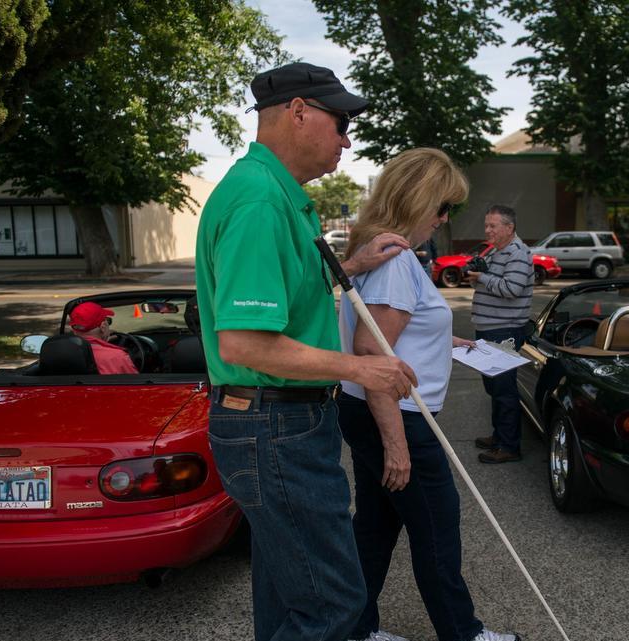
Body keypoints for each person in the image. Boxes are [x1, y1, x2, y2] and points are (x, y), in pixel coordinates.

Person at [194, 62, 419, 641]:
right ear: (299, 111)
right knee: (333, 603)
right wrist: (363, 367)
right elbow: (244, 340)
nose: (348, 139)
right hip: (275, 425)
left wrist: (352, 266)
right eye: (341, 122)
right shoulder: (260, 202)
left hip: (276, 421)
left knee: (288, 592)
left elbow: (281, 300)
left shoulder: (274, 193)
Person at [337, 148, 521, 641]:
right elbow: (372, 353)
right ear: (418, 201)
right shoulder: (395, 258)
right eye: (443, 208)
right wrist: (397, 443)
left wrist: (445, 340)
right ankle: (464, 635)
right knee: (437, 529)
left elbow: (391, 331)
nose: (445, 220)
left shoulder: (382, 249)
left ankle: (355, 628)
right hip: (396, 415)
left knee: (375, 528)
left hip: (368, 408)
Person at [464, 205, 533, 464]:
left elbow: (512, 289)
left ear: (509, 228)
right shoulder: (497, 251)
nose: (488, 230)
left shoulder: (517, 253)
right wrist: (478, 277)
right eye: (486, 225)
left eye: (493, 226)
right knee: (494, 386)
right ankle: (499, 435)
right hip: (490, 328)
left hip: (505, 329)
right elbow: (494, 283)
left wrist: (481, 278)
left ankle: (509, 446)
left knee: (504, 389)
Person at [68, 301, 137, 374]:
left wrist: (103, 343)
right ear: (103, 327)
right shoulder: (117, 357)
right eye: (107, 320)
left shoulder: (62, 353)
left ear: (74, 329)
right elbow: (137, 382)